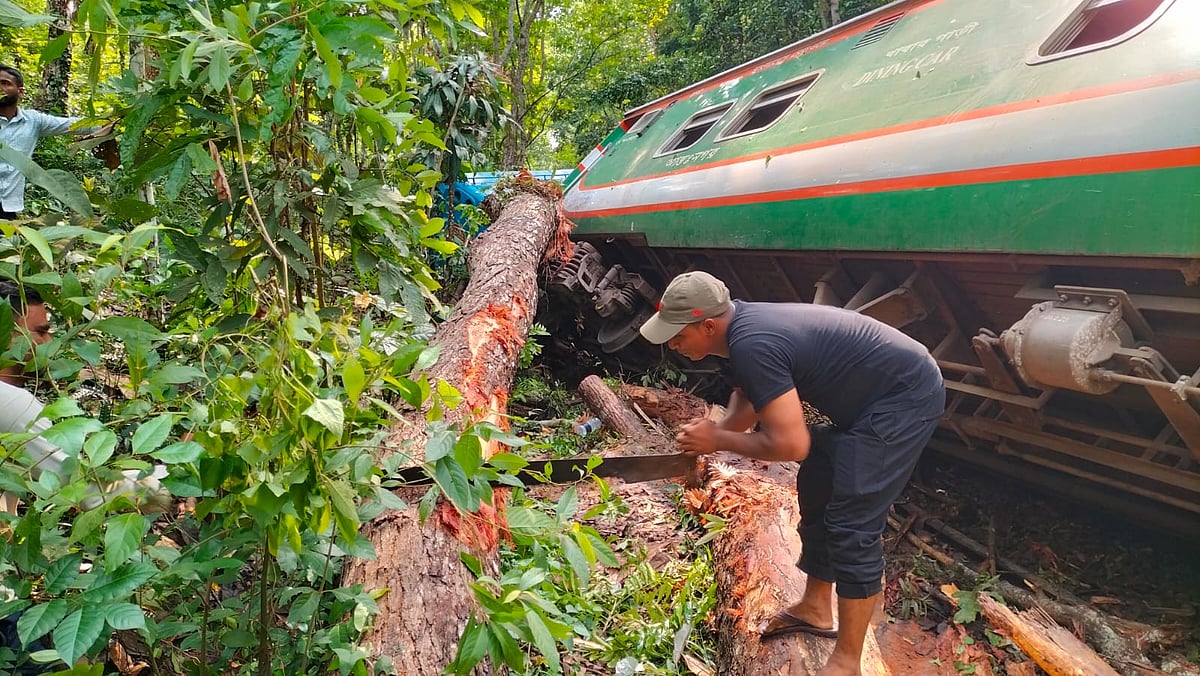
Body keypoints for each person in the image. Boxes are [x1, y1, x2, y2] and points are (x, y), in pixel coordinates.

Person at [639, 271, 944, 676]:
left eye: (677, 336)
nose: (673, 345)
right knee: (818, 478)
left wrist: (719, 439)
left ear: (708, 325)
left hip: (904, 398)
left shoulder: (752, 343)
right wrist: (722, 431)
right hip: (871, 401)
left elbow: (791, 445)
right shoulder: (741, 332)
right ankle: (816, 608)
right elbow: (750, 399)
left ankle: (848, 661)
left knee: (853, 523)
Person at [0, 281, 169, 513]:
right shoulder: (14, 404)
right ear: (9, 333)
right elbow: (83, 489)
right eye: (41, 332)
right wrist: (153, 483)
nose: (50, 343)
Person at [0, 64, 106, 219]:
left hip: (9, 205)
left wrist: (110, 122)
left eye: (5, 83)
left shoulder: (33, 121)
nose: (0, 88)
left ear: (20, 92)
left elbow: (71, 125)